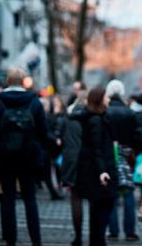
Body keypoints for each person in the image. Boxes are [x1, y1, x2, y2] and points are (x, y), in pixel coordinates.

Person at [0, 68, 49, 246]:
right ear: (23, 82)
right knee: (30, 199)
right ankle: (36, 240)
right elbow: (43, 131)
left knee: (8, 198)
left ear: (7, 81)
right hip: (28, 157)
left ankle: (10, 240)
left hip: (5, 158)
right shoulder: (34, 102)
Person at [70, 87, 118, 246]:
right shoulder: (96, 120)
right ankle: (97, 242)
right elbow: (97, 148)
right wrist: (103, 171)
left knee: (97, 211)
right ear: (99, 99)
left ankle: (96, 241)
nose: (109, 99)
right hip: (99, 171)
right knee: (103, 209)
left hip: (92, 170)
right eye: (106, 97)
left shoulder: (96, 117)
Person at [105, 79, 141, 242]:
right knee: (128, 193)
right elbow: (137, 136)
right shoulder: (130, 112)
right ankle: (130, 232)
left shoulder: (105, 112)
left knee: (111, 193)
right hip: (127, 156)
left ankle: (113, 230)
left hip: (110, 155)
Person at [62, 89, 88, 245]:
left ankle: (77, 237)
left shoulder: (68, 116)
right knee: (93, 199)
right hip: (87, 160)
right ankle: (94, 236)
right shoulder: (91, 116)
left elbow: (62, 137)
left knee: (75, 199)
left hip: (71, 160)